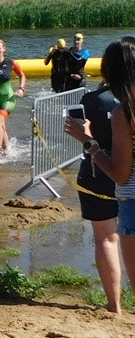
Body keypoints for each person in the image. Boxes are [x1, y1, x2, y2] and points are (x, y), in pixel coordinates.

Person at [64, 37, 135, 338]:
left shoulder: (116, 108)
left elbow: (121, 173)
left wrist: (88, 142)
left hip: (120, 194)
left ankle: (114, 306)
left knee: (104, 241)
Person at [63, 68, 121, 315]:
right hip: (128, 174)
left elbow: (84, 134)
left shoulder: (93, 99)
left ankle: (114, 305)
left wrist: (85, 137)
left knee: (107, 239)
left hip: (99, 171)